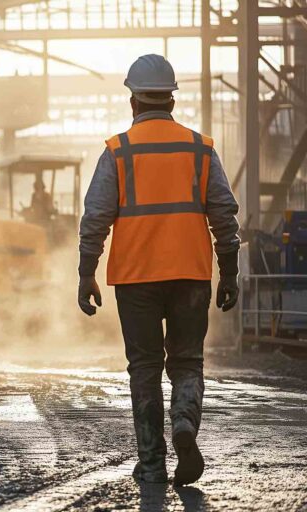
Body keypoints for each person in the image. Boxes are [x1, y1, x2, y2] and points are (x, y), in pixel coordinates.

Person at [77, 55, 240, 486]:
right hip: (190, 274)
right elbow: (224, 213)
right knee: (187, 363)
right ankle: (184, 422)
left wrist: (85, 273)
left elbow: (95, 217)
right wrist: (230, 271)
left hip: (135, 279)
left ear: (133, 100)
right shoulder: (200, 148)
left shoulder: (118, 150)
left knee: (144, 369)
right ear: (171, 99)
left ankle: (151, 464)